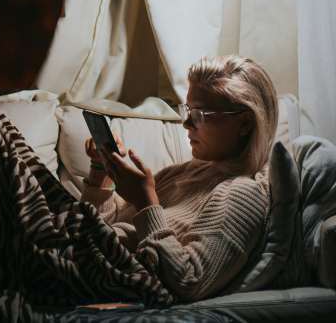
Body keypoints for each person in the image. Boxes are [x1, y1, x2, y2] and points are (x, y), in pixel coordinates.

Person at [82, 55, 277, 302]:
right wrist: (102, 172)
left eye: (200, 114)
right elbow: (103, 229)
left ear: (245, 123)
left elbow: (189, 281)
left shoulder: (242, 193)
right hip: (80, 252)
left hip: (91, 273)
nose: (186, 123)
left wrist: (146, 203)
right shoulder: (185, 172)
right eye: (188, 110)